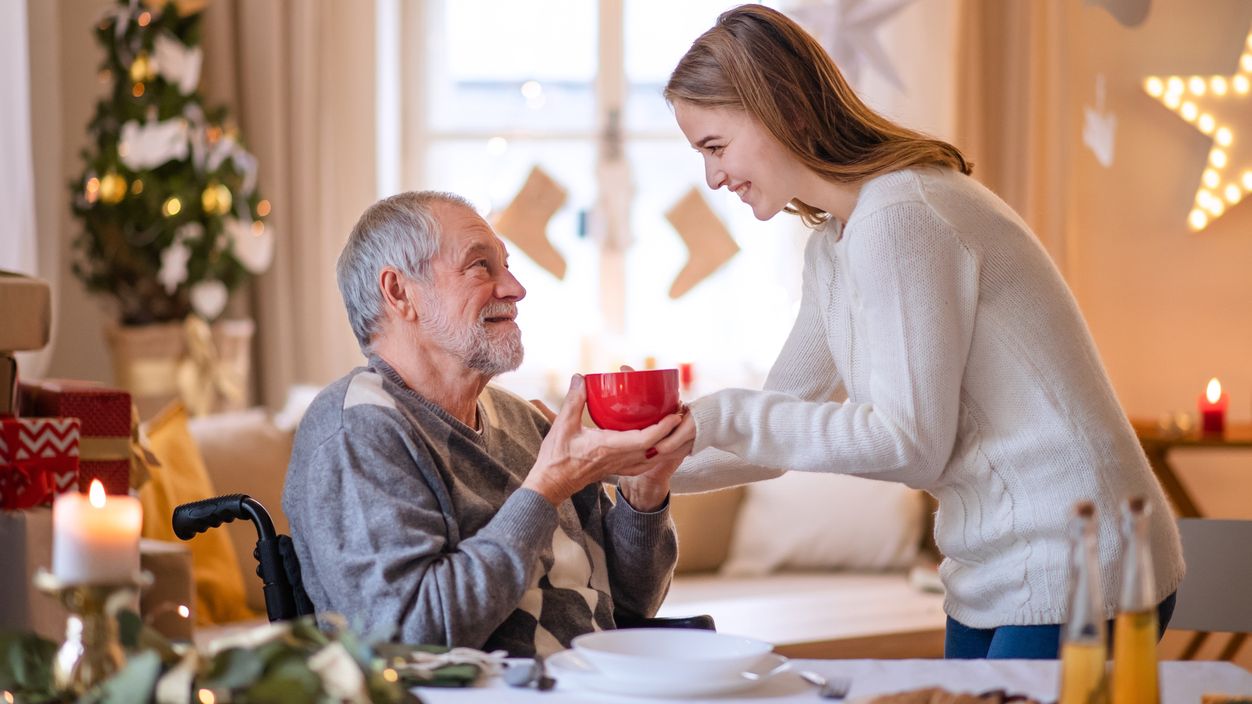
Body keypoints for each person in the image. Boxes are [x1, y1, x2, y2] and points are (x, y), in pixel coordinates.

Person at [654, 4, 1184, 659]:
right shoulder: (835, 245)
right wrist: (631, 469)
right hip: (992, 567)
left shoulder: (902, 215)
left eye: (716, 146)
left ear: (783, 109)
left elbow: (910, 443)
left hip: (1080, 556)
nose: (713, 177)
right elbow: (772, 433)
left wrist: (723, 414)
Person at [283, 191, 686, 657]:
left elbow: (631, 606)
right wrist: (546, 488)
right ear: (399, 292)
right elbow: (409, 638)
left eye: (507, 266)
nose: (516, 288)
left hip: (595, 684)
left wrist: (644, 492)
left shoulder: (522, 420)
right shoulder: (358, 430)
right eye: (480, 266)